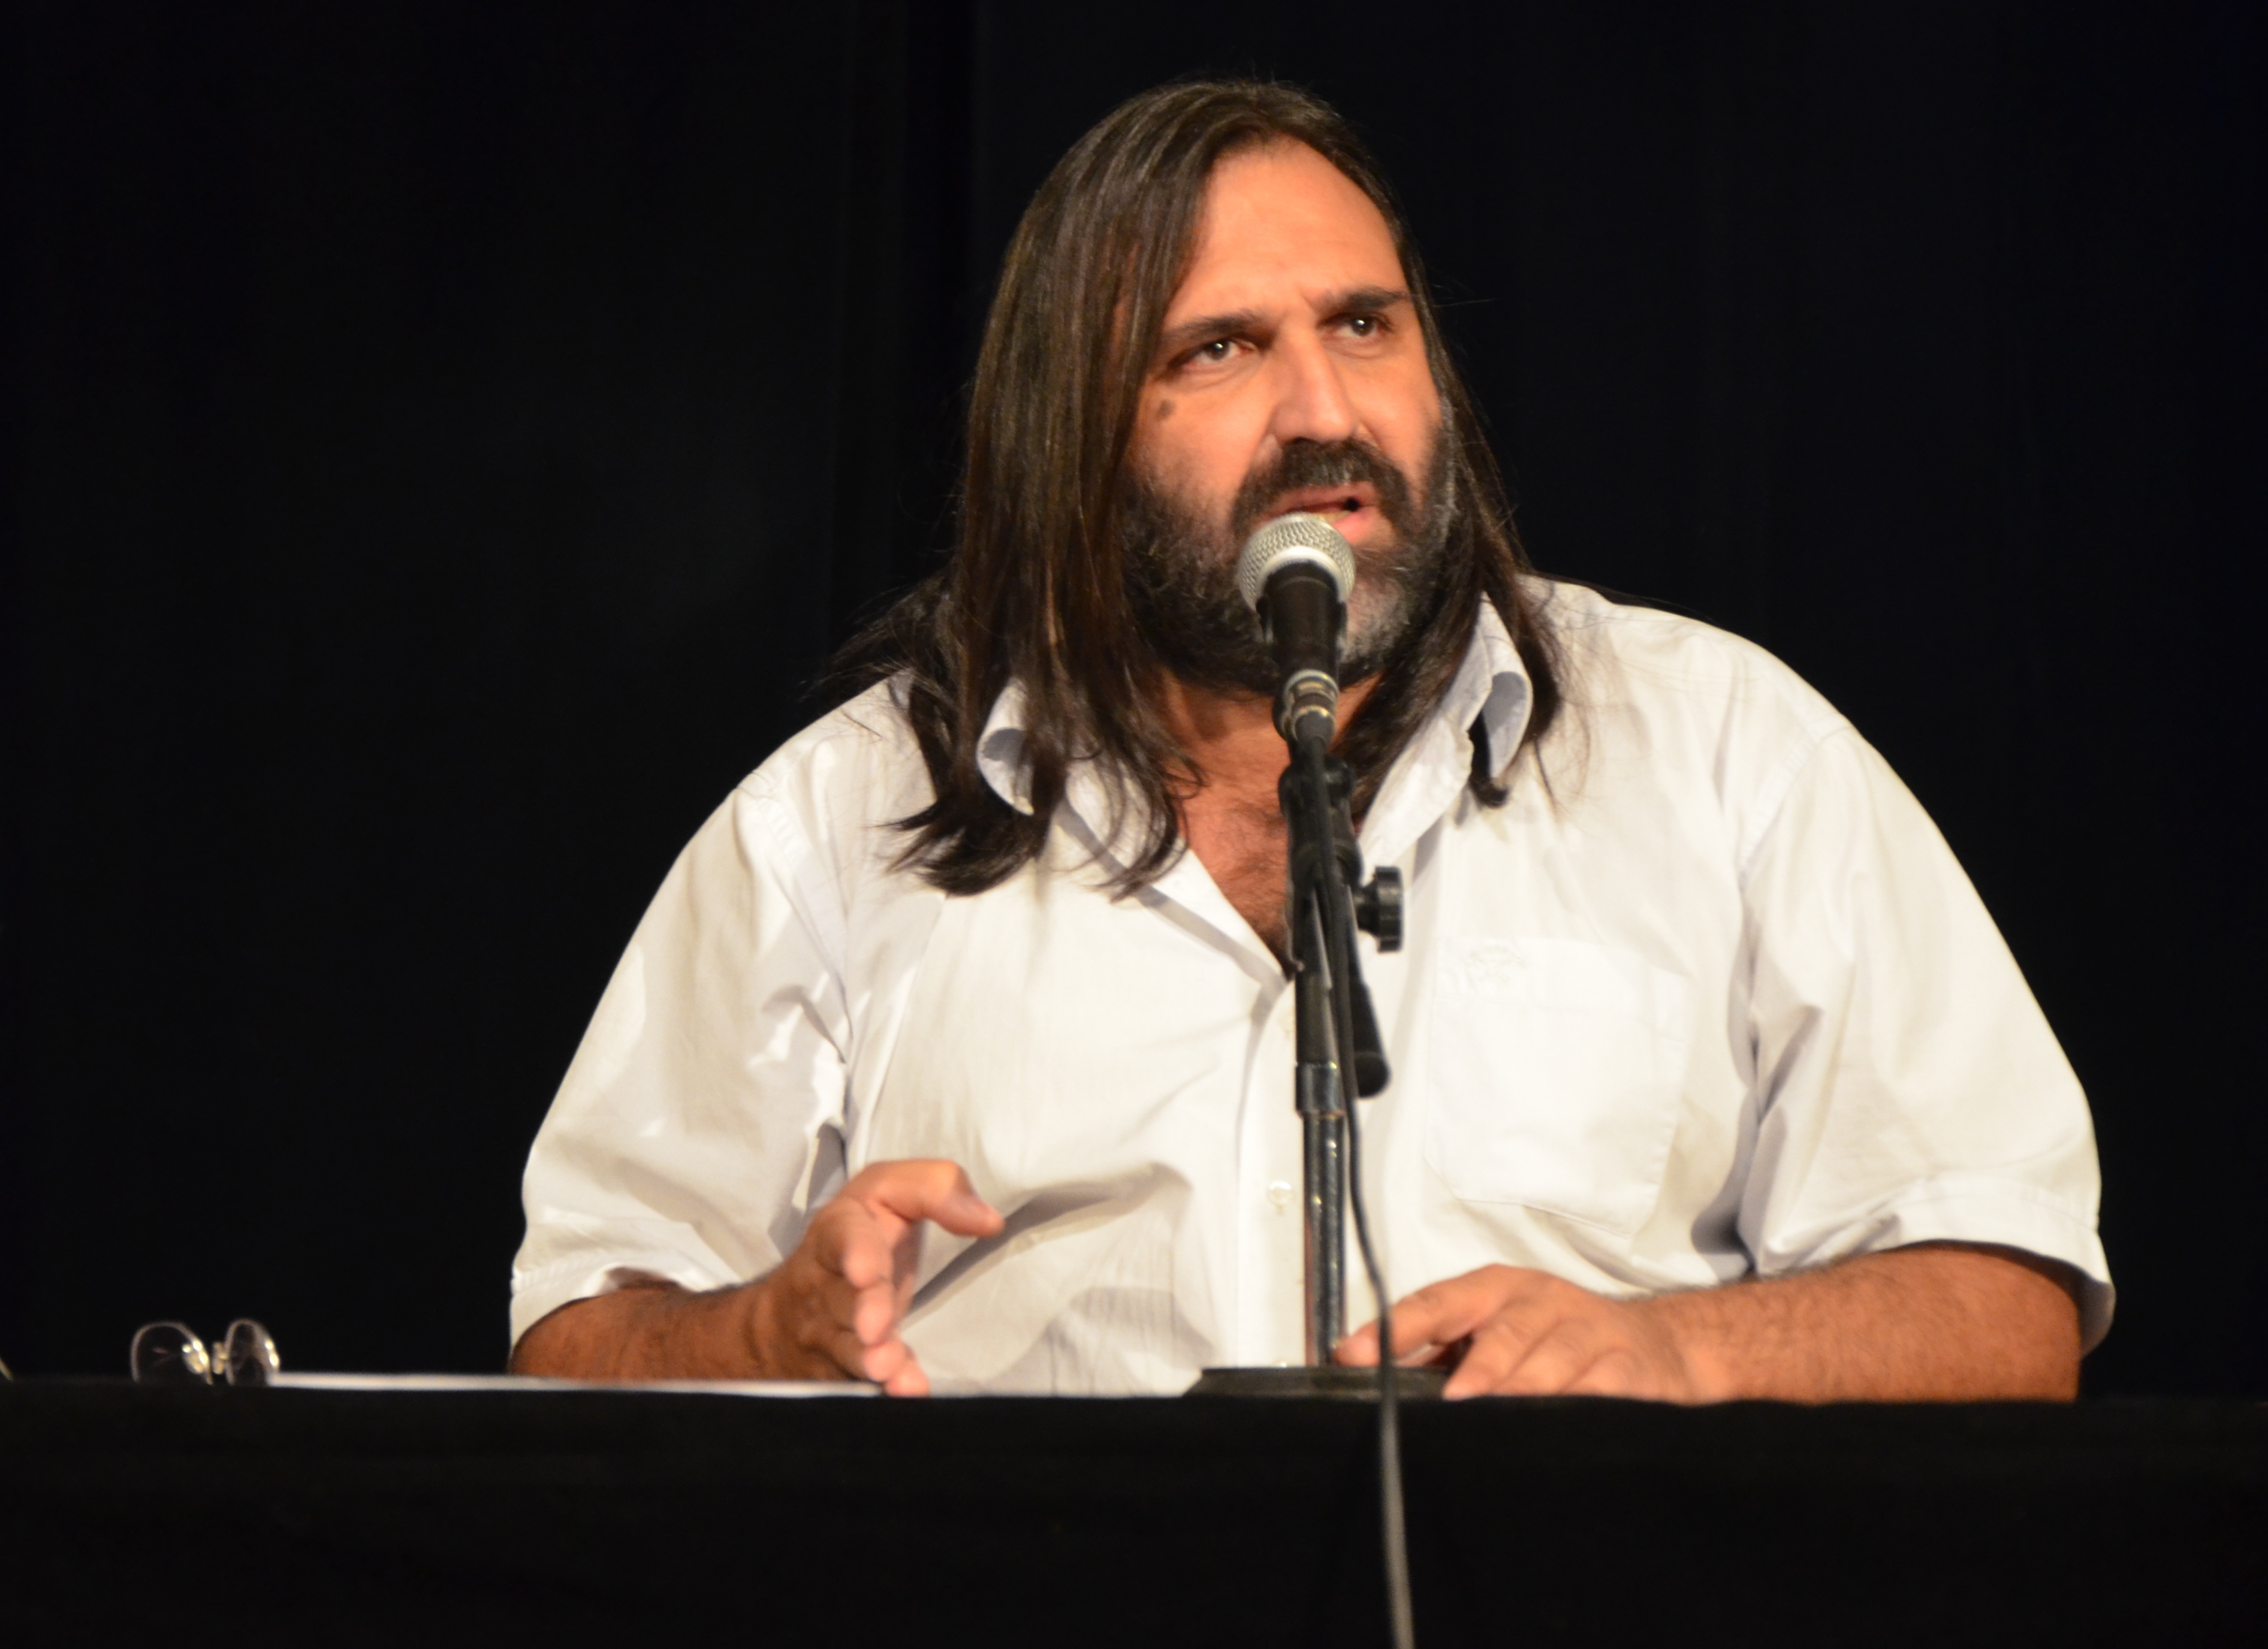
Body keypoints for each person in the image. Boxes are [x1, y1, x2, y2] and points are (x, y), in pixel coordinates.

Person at [509, 81, 2109, 1400]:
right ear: (1071, 432)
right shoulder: (841, 819)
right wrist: (761, 1336)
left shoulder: (1724, 750)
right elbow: (576, 1333)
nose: (1324, 411)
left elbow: (2005, 1298)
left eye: (1363, 325)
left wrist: (1679, 1349)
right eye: (1218, 349)